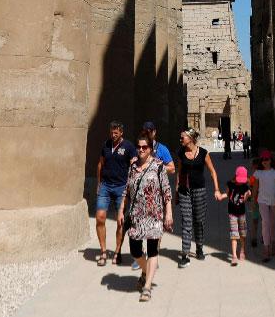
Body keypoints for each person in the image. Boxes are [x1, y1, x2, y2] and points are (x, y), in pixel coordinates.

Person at [116, 131, 173, 302]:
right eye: (138, 147)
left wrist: (168, 213)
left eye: (144, 147)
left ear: (150, 149)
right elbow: (126, 190)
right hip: (136, 215)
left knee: (153, 249)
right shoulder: (132, 167)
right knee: (135, 250)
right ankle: (147, 271)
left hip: (154, 214)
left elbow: (166, 191)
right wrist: (120, 210)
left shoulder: (159, 166)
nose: (140, 150)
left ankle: (147, 286)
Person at [175, 127, 220, 266]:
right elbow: (179, 172)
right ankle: (185, 254)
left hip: (199, 190)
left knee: (198, 221)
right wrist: (176, 190)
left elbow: (213, 172)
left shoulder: (203, 153)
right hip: (184, 191)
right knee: (186, 221)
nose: (181, 139)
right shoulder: (181, 152)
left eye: (183, 137)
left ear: (191, 138)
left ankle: (199, 247)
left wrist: (217, 189)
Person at [94, 121, 135, 266]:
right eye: (111, 132)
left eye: (116, 132)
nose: (113, 134)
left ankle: (117, 252)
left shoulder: (129, 147)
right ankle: (103, 252)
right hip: (105, 185)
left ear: (121, 132)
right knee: (100, 217)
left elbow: (133, 168)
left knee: (121, 221)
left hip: (121, 187)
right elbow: (100, 164)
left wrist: (130, 188)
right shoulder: (106, 145)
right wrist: (99, 184)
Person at [216, 166, 252, 266]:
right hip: (232, 213)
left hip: (242, 213)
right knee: (234, 233)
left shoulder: (245, 186)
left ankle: (242, 250)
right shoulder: (230, 184)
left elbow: (244, 200)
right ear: (235, 177)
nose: (241, 182)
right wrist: (221, 197)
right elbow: (227, 194)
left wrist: (247, 195)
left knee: (242, 233)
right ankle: (234, 256)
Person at [252, 149, 275, 262]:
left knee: (273, 223)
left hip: (274, 200)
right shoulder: (258, 173)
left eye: (267, 159)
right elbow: (255, 188)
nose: (265, 162)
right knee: (265, 223)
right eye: (263, 160)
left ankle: (274, 245)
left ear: (271, 160)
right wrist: (253, 202)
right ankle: (266, 248)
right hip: (262, 200)